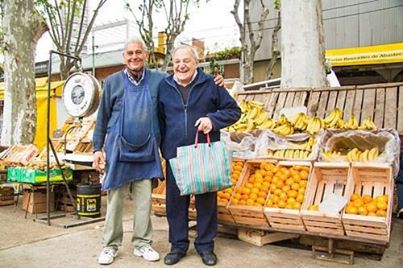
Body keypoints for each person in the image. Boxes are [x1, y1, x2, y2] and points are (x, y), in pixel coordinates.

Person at [92, 38, 224, 265]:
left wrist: (215, 81)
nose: (134, 57)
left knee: (144, 202)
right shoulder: (112, 82)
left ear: (146, 55)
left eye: (138, 53)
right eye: (129, 53)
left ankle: (142, 243)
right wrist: (97, 148)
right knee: (115, 202)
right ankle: (110, 245)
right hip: (117, 150)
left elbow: (186, 81)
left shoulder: (160, 81)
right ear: (124, 57)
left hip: (147, 151)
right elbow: (102, 118)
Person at [158, 45, 241, 266]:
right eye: (177, 62)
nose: (181, 65)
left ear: (196, 63)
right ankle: (178, 246)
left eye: (186, 61)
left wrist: (212, 120)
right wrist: (162, 149)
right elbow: (159, 120)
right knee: (175, 204)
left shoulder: (211, 85)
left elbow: (234, 111)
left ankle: (205, 246)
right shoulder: (164, 87)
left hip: (203, 152)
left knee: (206, 202)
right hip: (176, 155)